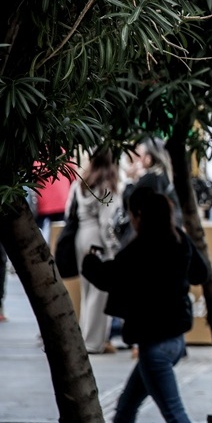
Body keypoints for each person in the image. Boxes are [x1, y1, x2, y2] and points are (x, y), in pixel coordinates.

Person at [81, 186, 208, 423]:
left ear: (139, 215)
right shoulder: (180, 240)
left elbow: (107, 277)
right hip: (176, 341)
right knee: (126, 407)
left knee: (174, 413)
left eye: (131, 216)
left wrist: (90, 261)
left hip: (154, 346)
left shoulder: (140, 250)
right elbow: (201, 274)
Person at [74, 148, 122, 354]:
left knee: (86, 290)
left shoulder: (82, 183)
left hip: (81, 235)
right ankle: (93, 341)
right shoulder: (106, 187)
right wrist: (114, 249)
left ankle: (86, 335)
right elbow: (107, 223)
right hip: (97, 240)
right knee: (99, 291)